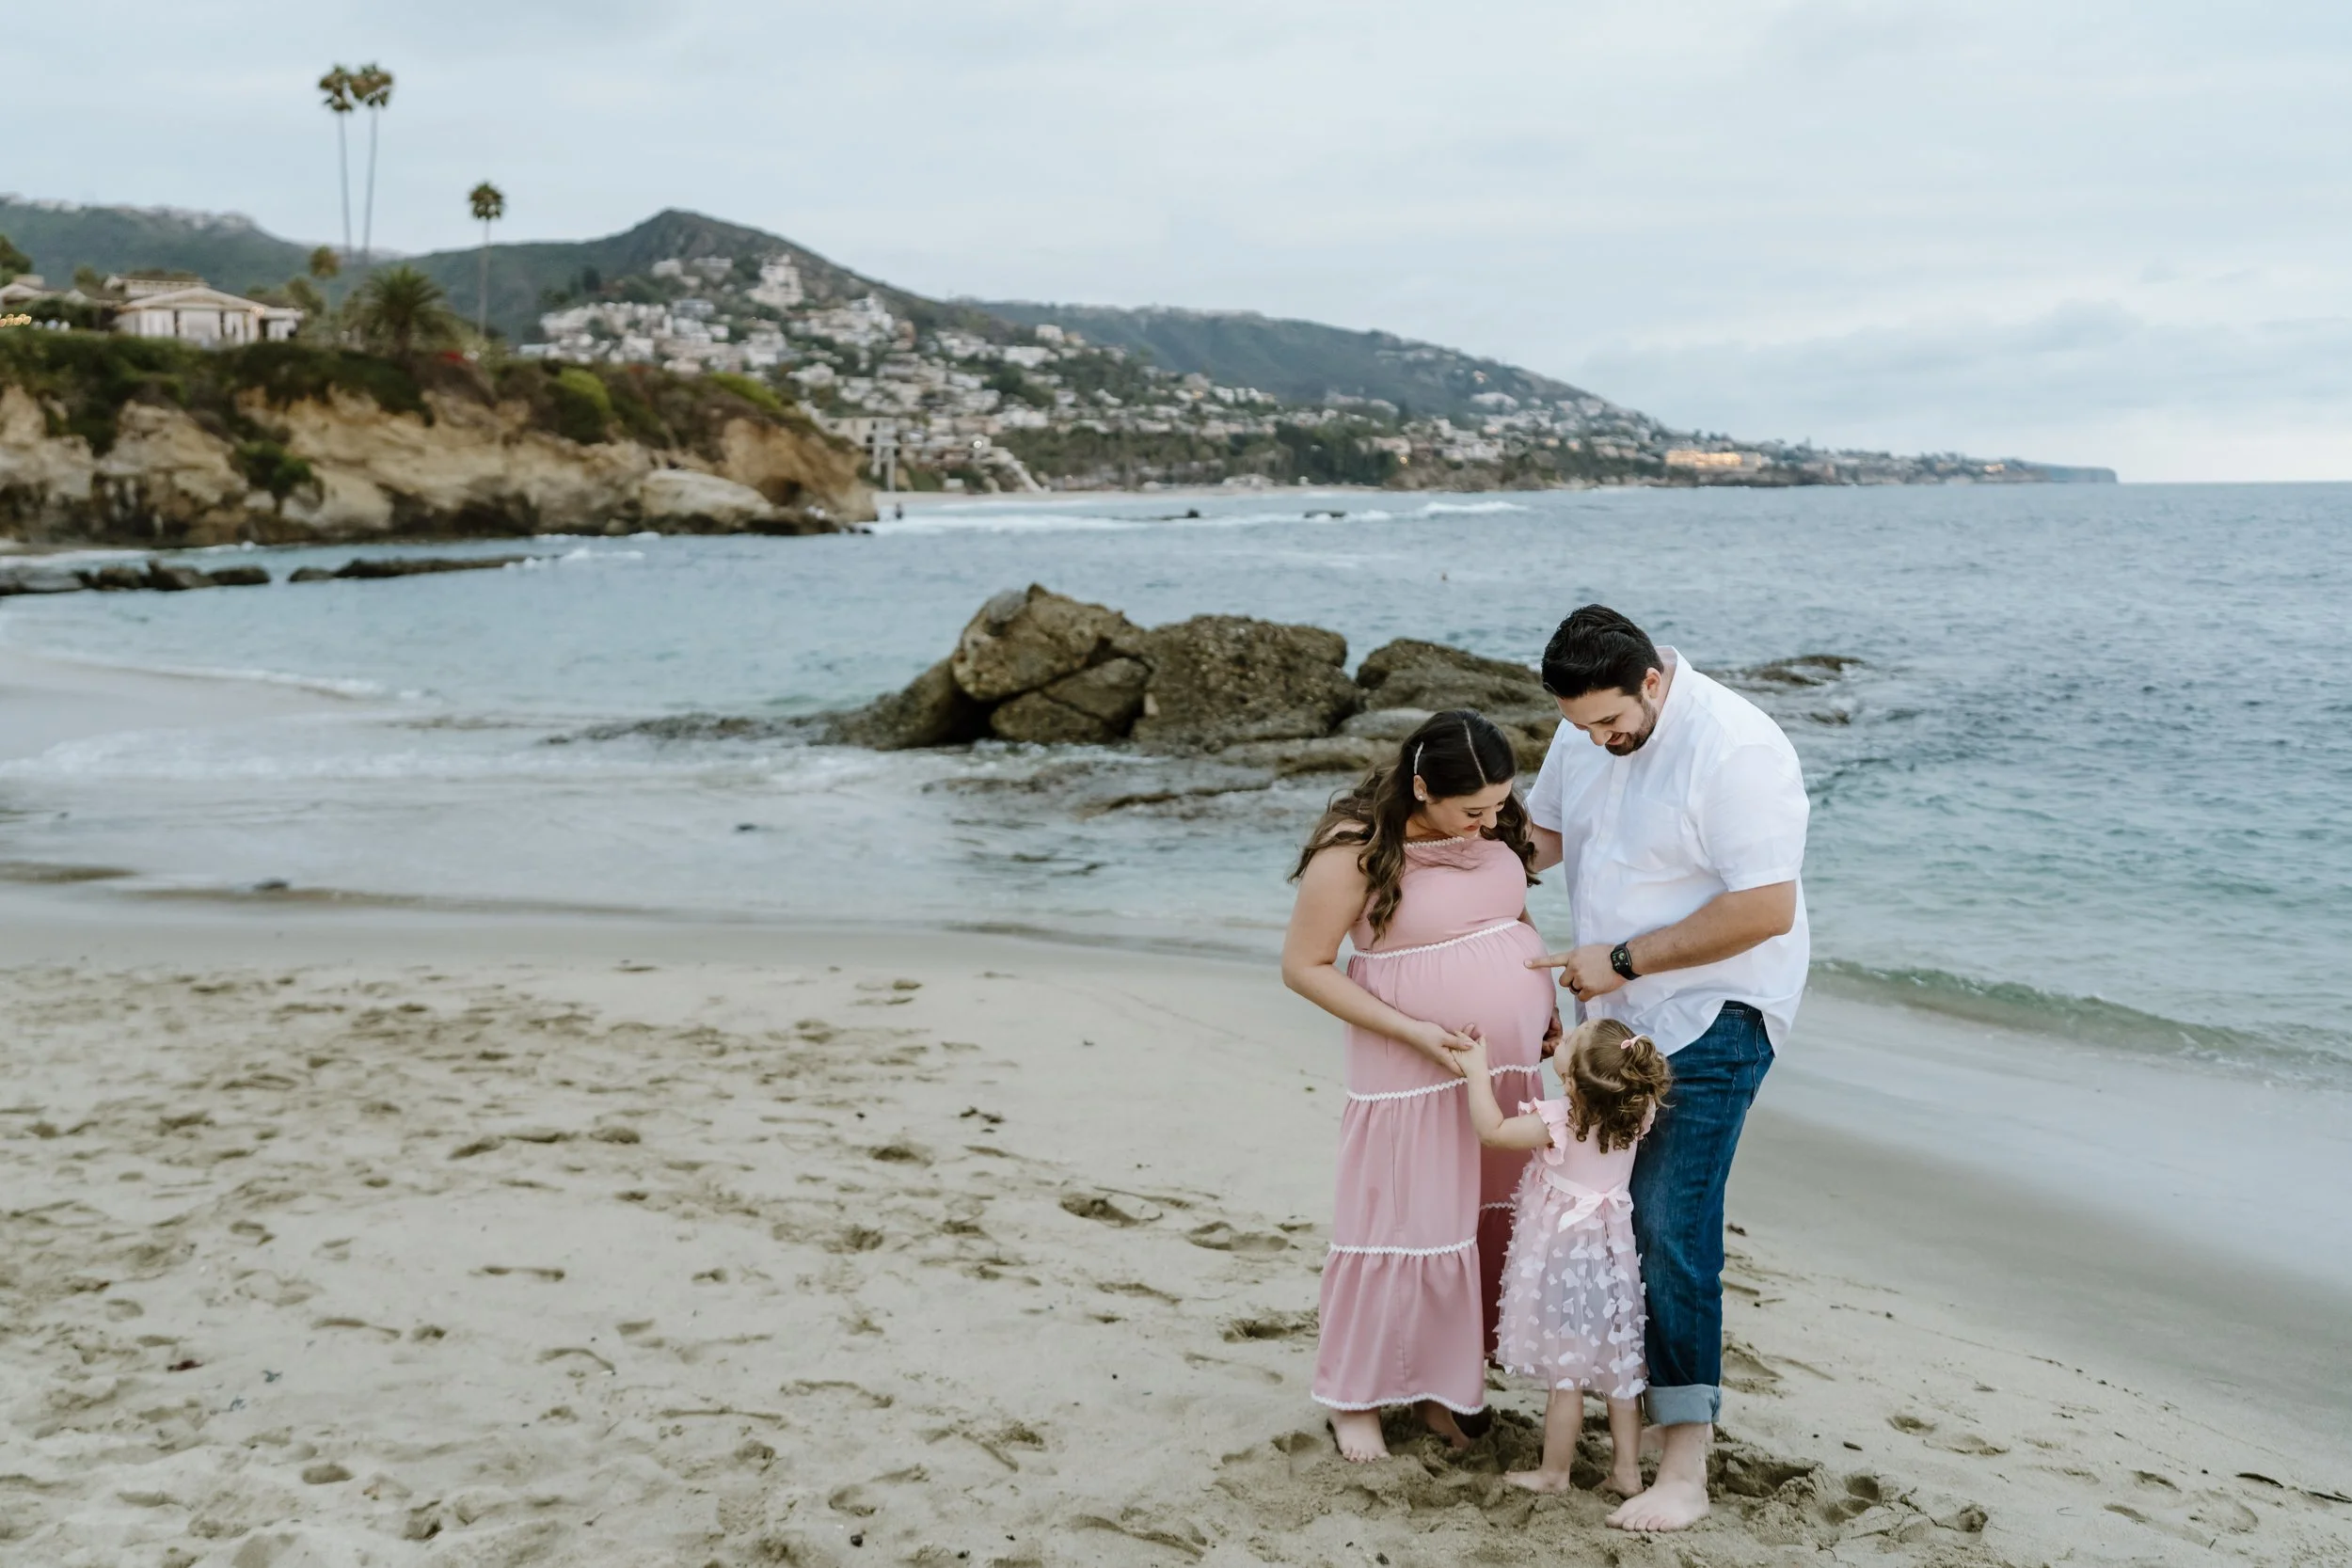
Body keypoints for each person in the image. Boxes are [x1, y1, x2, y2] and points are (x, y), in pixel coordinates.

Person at [1522, 604, 1809, 1532]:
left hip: (1714, 1010)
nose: (1598, 739)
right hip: (1612, 1019)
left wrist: (1623, 960)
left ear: (1652, 680)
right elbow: (1541, 839)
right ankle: (1631, 1417)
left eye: (1611, 721)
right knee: (1609, 1217)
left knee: (1667, 1221)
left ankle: (1684, 1463)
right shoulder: (1587, 729)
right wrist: (1435, 850)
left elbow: (1764, 908)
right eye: (1580, 725)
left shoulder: (1736, 749)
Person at [1281, 709, 1557, 1463]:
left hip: (1504, 1065)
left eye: (1499, 804)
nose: (1490, 822)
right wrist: (1412, 1031)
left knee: (1476, 1220)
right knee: (1403, 1224)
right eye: (1473, 809)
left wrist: (1544, 1005)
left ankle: (1443, 1388)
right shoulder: (1357, 848)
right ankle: (1354, 1398)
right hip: (1411, 1067)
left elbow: (1510, 913)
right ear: (1423, 787)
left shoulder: (1492, 820)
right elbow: (1303, 966)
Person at [1454, 1018, 1672, 1500]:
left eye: (1570, 1040)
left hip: (1567, 1262)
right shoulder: (1638, 1110)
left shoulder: (1561, 1119)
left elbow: (1491, 1131)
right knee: (1620, 1371)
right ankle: (1627, 1473)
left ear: (1572, 1083)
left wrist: (1476, 1071)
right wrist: (1574, 1055)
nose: (1566, 1034)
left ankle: (1554, 1473)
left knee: (1566, 1376)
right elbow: (1602, 1081)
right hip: (1612, 1256)